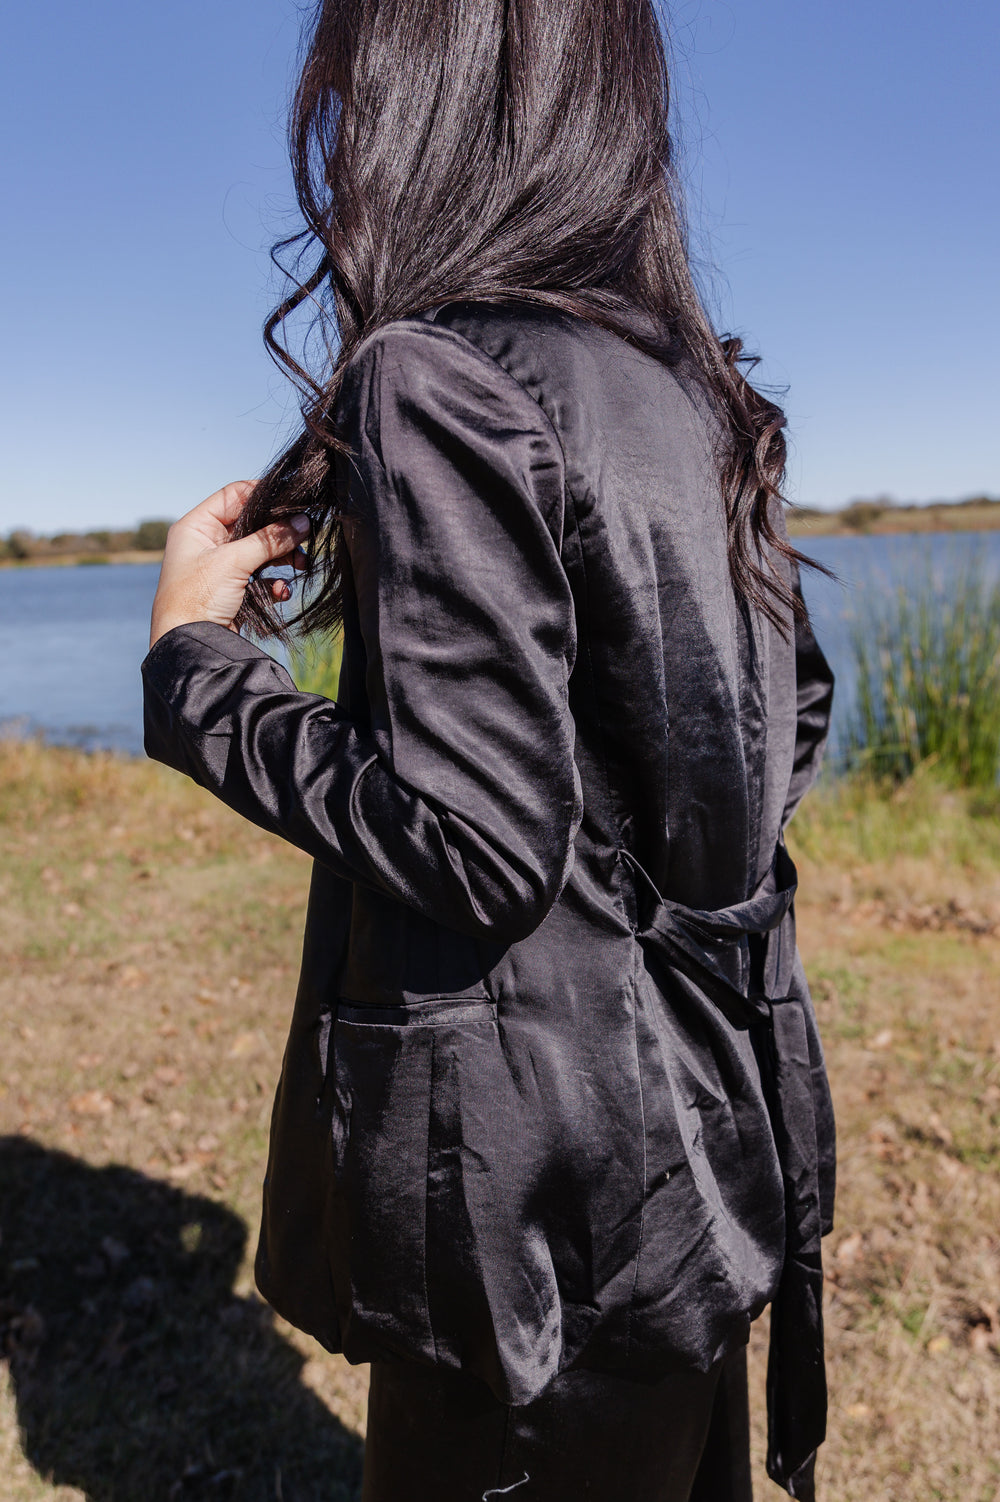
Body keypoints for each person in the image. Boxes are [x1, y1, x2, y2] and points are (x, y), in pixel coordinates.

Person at [141, 1, 836, 1498]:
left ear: (405, 93)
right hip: (709, 1160)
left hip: (535, 1218)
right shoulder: (693, 388)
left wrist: (198, 671)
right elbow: (796, 717)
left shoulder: (438, 373)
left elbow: (477, 837)